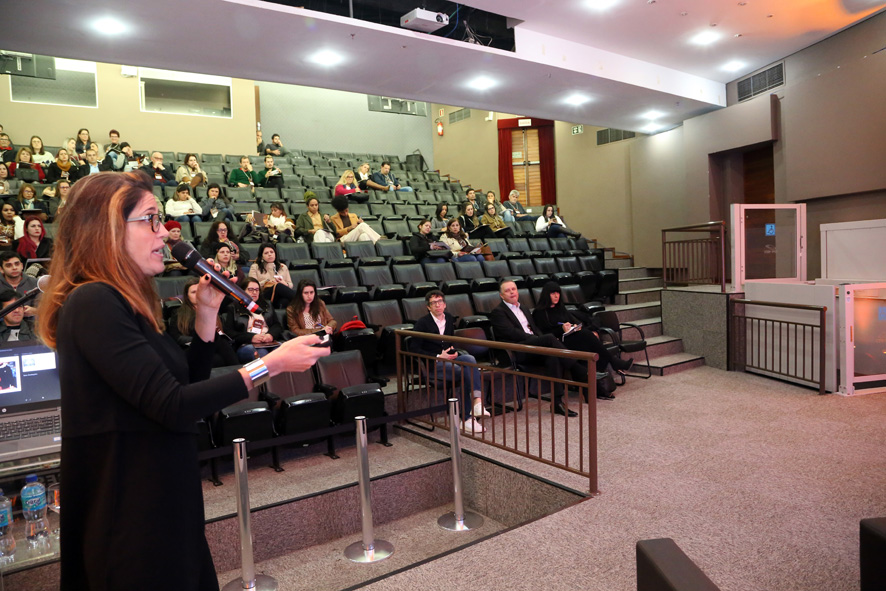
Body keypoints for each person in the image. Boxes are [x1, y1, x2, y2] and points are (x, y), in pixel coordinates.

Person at [36, 171, 329, 590]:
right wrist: (272, 364)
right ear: (107, 229)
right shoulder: (93, 301)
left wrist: (207, 316)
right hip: (131, 515)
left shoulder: (126, 304)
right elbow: (172, 404)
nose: (165, 233)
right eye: (151, 220)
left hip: (164, 497)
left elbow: (187, 384)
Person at [488, 280, 582, 417]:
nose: (512, 292)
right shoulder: (498, 312)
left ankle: (557, 403)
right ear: (501, 295)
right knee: (550, 338)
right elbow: (511, 333)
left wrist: (539, 339)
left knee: (553, 356)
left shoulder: (524, 308)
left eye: (513, 289)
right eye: (507, 290)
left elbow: (535, 328)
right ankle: (578, 369)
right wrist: (536, 339)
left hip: (533, 347)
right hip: (518, 349)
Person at [532, 281, 632, 400]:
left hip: (571, 339)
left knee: (587, 350)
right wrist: (561, 329)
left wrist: (573, 327)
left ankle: (592, 391)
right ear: (546, 295)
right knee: (586, 337)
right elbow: (544, 335)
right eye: (553, 293)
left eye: (558, 293)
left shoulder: (561, 308)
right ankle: (613, 362)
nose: (556, 296)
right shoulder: (539, 312)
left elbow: (573, 322)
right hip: (558, 343)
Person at [412, 290, 489, 433]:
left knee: (469, 359)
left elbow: (448, 342)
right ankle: (467, 418)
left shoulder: (449, 318)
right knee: (467, 371)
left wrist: (452, 351)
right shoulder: (422, 323)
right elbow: (414, 349)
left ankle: (477, 403)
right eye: (433, 303)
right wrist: (437, 356)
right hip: (433, 363)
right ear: (428, 307)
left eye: (440, 302)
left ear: (445, 304)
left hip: (449, 359)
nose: (437, 305)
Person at [166, 278, 240, 367]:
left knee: (218, 357)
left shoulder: (212, 310)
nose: (198, 294)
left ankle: (237, 370)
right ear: (187, 296)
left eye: (200, 291)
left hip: (212, 349)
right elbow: (176, 337)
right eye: (193, 292)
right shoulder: (178, 313)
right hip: (190, 349)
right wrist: (198, 341)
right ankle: (239, 370)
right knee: (220, 343)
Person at [224, 277, 285, 362]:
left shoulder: (267, 305)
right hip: (246, 344)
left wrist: (270, 335)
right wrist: (251, 337)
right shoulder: (234, 307)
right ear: (243, 291)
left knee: (281, 351)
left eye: (257, 290)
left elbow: (277, 325)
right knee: (262, 353)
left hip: (268, 341)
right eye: (250, 290)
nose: (254, 292)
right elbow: (229, 333)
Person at [248, 242, 296, 308]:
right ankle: (302, 300)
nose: (270, 254)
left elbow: (290, 284)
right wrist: (267, 281)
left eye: (272, 252)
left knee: (284, 301)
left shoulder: (283, 267)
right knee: (278, 286)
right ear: (262, 256)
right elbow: (252, 285)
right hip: (264, 294)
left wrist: (285, 284)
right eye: (266, 253)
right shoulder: (255, 267)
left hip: (280, 296)